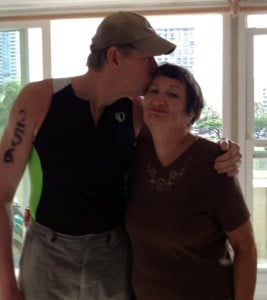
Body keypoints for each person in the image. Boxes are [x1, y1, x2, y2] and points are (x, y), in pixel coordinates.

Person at [0, 11, 241, 300]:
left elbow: (179, 144)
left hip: (112, 254)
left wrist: (224, 149)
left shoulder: (136, 111)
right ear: (115, 57)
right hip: (47, 253)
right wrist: (6, 285)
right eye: (147, 59)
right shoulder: (39, 99)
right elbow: (1, 195)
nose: (155, 68)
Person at [125, 63, 257, 300]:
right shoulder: (135, 155)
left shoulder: (214, 162)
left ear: (190, 115)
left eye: (173, 93)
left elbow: (245, 246)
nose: (158, 99)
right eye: (153, 90)